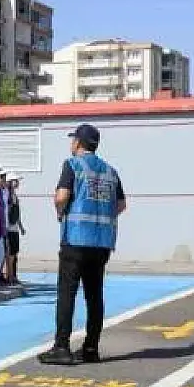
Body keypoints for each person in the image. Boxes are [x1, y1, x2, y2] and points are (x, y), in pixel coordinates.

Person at [39, 124, 127, 366]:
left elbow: (62, 196)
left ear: (78, 143)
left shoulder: (73, 165)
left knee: (67, 293)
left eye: (73, 140)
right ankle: (90, 347)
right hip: (102, 242)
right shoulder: (111, 171)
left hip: (75, 238)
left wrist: (61, 212)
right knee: (94, 295)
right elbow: (120, 205)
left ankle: (61, 346)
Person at [5, 176, 26, 285]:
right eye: (15, 180)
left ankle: (13, 275)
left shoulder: (15, 196)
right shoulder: (7, 195)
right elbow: (8, 211)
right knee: (10, 253)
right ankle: (10, 276)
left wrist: (21, 226)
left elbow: (16, 214)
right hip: (8, 228)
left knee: (14, 253)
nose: (17, 182)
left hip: (15, 229)